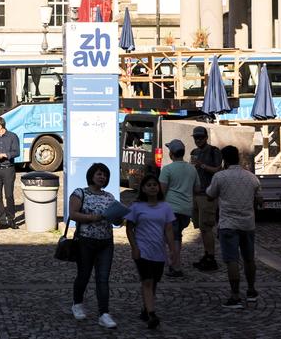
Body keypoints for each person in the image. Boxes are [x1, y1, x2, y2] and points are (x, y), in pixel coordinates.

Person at [206, 145, 262, 309]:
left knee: (232, 260)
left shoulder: (220, 177)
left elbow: (210, 195)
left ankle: (235, 295)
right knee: (249, 258)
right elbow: (259, 200)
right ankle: (251, 291)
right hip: (248, 224)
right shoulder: (251, 178)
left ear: (224, 160)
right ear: (238, 157)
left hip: (228, 224)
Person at [67, 163, 118, 329]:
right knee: (84, 275)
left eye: (105, 175)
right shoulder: (80, 193)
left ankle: (104, 313)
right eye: (99, 174)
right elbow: (73, 214)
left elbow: (115, 218)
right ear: (91, 175)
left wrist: (119, 218)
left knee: (103, 279)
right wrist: (91, 218)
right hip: (85, 241)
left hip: (106, 242)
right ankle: (77, 303)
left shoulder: (109, 197)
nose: (102, 177)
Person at [125, 174, 176, 330]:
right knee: (147, 281)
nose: (153, 187)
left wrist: (173, 250)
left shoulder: (165, 207)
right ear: (143, 188)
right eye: (149, 185)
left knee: (153, 283)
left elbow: (168, 229)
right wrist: (134, 247)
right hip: (143, 250)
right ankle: (152, 314)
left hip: (158, 251)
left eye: (155, 184)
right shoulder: (136, 207)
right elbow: (129, 228)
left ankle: (146, 308)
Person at [158, 139, 200, 277]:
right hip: (186, 209)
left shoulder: (167, 169)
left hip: (171, 209)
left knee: (172, 238)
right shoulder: (192, 169)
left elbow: (161, 191)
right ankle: (174, 263)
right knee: (177, 237)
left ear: (171, 154)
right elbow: (197, 188)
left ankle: (176, 266)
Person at [190, 126, 222, 271]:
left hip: (207, 195)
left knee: (207, 227)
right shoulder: (194, 152)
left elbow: (217, 170)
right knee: (201, 228)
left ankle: (211, 257)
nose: (198, 140)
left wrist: (201, 165)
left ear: (206, 137)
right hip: (196, 194)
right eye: (196, 138)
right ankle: (206, 254)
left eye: (200, 137)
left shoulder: (214, 151)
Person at [0, 117, 20, 229]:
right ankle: (2, 221)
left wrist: (4, 155)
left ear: (0, 126)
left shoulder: (12, 136)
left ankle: (11, 220)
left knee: (9, 195)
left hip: (8, 169)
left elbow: (17, 152)